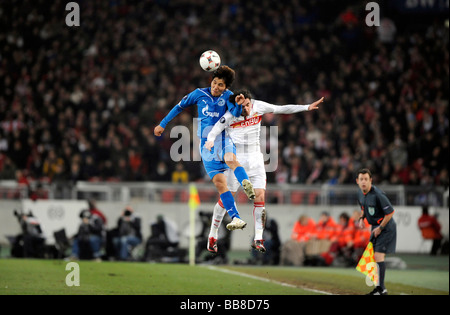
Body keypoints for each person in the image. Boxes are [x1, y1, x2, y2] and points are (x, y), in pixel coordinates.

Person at [204, 89, 323, 252]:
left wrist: (306, 107)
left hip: (255, 159)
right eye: (242, 105)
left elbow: (282, 108)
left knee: (260, 196)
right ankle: (213, 235)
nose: (245, 108)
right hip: (236, 160)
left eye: (247, 104)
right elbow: (215, 129)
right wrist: (210, 141)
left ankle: (258, 238)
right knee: (227, 198)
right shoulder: (231, 115)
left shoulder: (258, 106)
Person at [154, 66, 255, 231]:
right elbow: (179, 106)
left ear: (226, 87)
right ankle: (236, 218)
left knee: (231, 159)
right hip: (206, 145)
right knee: (220, 183)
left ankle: (245, 183)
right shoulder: (199, 93)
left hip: (223, 138)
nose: (216, 87)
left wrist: (238, 105)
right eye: (215, 82)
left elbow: (236, 114)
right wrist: (163, 123)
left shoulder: (229, 97)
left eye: (220, 85)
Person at [356, 168, 397, 295]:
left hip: (386, 227)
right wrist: (362, 218)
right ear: (357, 181)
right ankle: (378, 287)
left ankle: (381, 289)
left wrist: (380, 228)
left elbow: (390, 212)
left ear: (371, 180)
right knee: (371, 257)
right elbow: (364, 207)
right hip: (375, 227)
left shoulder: (378, 194)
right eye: (361, 179)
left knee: (378, 256)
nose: (363, 182)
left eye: (366, 179)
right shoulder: (360, 194)